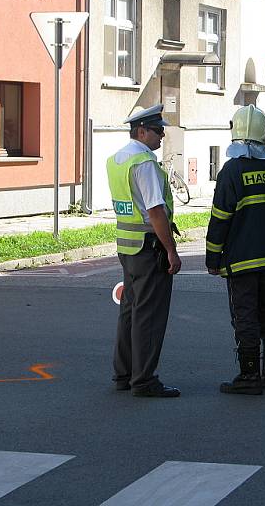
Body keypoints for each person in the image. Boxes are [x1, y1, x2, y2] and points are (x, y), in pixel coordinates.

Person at [206, 105, 265, 395]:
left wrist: (212, 257)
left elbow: (220, 218)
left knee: (244, 316)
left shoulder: (231, 171)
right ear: (264, 133)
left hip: (240, 261)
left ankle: (249, 377)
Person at [106, 104, 182, 398]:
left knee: (130, 313)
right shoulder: (144, 162)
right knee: (149, 316)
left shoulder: (117, 160)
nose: (162, 135)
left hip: (127, 248)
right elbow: (156, 211)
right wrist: (171, 250)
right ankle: (144, 380)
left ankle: (123, 374)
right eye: (158, 130)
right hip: (149, 249)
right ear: (142, 131)